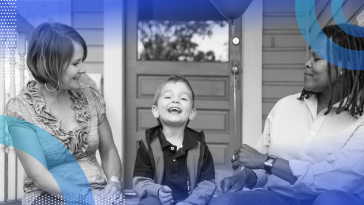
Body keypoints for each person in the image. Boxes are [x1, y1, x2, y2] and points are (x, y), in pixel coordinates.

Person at [210, 24, 364, 205]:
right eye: (309, 56)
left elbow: (335, 179)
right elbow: (262, 167)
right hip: (279, 198)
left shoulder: (360, 120)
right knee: (224, 202)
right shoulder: (285, 106)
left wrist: (267, 161)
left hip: (328, 199)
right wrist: (245, 177)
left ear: (343, 67)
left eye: (317, 58)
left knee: (332, 200)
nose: (307, 63)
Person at [5, 23, 122, 205]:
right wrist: (86, 197)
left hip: (97, 193)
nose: (83, 69)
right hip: (47, 196)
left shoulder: (92, 98)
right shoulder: (21, 109)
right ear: (51, 65)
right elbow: (39, 175)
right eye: (76, 63)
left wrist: (114, 182)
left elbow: (108, 150)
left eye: (82, 61)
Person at [133, 75, 217, 205]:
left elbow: (207, 184)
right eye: (168, 97)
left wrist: (190, 203)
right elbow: (140, 182)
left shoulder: (200, 147)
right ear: (155, 111)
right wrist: (158, 191)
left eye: (183, 98)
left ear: (192, 113)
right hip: (159, 201)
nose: (175, 101)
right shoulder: (147, 145)